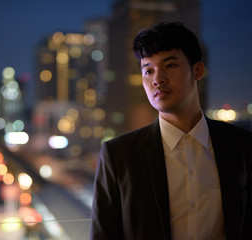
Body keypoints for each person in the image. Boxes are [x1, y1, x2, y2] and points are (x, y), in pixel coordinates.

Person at [90, 22, 252, 240]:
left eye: (170, 65)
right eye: (148, 70)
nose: (158, 79)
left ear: (197, 71)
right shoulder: (119, 156)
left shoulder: (241, 146)